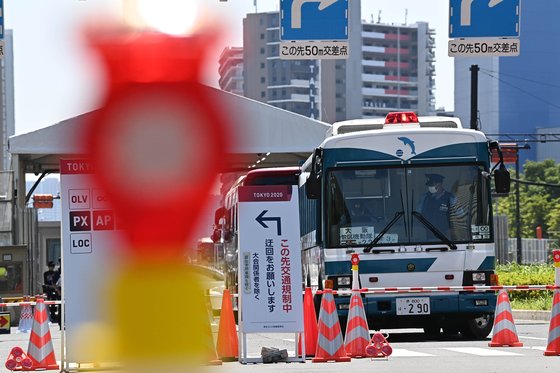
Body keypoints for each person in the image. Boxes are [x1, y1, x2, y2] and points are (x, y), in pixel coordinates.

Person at [418, 173, 457, 239]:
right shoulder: (425, 198)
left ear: (439, 184)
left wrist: (453, 230)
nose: (429, 187)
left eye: (431, 185)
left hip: (446, 239)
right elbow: (417, 215)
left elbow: (460, 217)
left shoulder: (450, 198)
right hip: (427, 237)